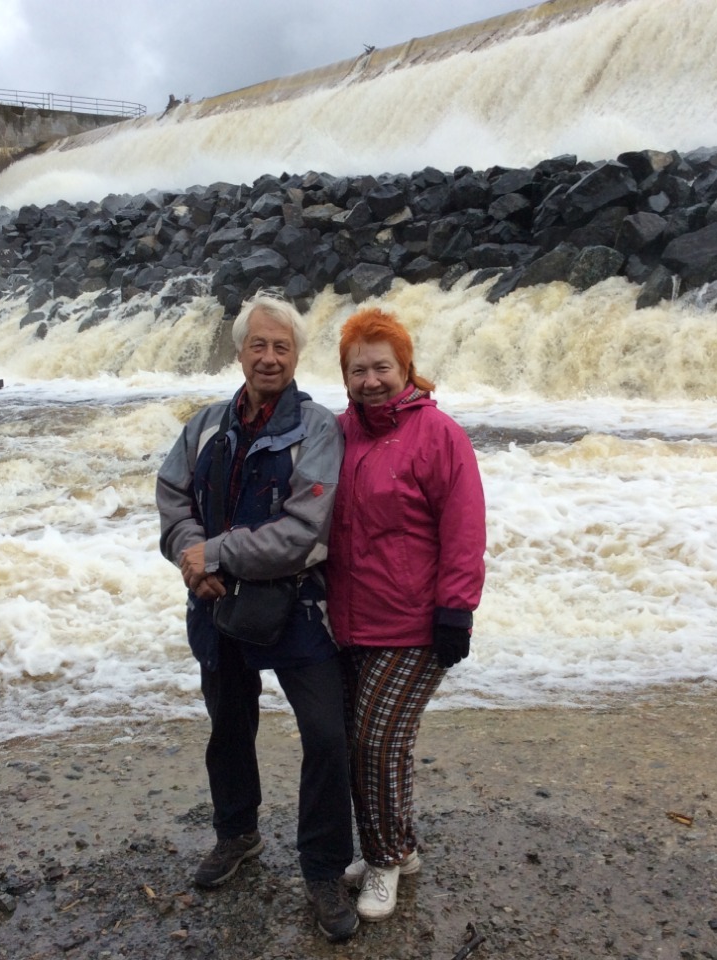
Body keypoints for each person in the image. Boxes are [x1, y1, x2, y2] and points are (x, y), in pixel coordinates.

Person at [156, 293, 358, 942]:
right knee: (228, 725)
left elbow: (301, 532)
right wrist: (191, 561)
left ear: (297, 357)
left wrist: (212, 550)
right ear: (239, 352)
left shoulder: (317, 429)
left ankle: (323, 869)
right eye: (258, 345)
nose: (269, 357)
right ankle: (236, 832)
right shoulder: (206, 424)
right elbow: (172, 494)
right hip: (216, 603)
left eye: (282, 347)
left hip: (298, 609)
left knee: (326, 737)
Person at [327, 306, 487, 922]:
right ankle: (396, 848)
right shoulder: (338, 433)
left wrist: (457, 610)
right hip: (345, 621)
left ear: (406, 368)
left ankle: (386, 860)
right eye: (358, 369)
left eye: (382, 367)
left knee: (379, 742)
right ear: (344, 377)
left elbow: (464, 526)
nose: (371, 380)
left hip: (415, 624)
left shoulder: (438, 434)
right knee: (357, 743)